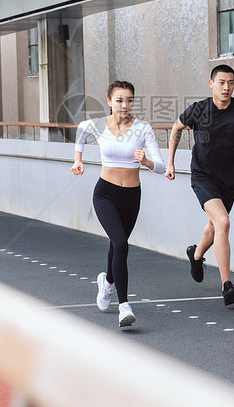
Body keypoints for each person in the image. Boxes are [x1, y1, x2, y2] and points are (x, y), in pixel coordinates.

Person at [165, 65, 234, 305]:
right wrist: (170, 163)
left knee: (213, 226)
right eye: (221, 82)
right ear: (211, 83)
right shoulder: (199, 110)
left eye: (230, 82)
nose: (226, 87)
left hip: (230, 178)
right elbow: (176, 128)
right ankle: (226, 284)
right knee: (223, 221)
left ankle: (196, 254)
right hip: (203, 175)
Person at [71, 81, 165, 327]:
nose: (125, 105)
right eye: (120, 100)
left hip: (131, 196)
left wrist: (146, 161)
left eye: (130, 100)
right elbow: (80, 131)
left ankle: (107, 283)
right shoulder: (98, 125)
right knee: (121, 243)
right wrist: (77, 160)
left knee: (117, 245)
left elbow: (161, 167)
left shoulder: (142, 128)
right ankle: (124, 305)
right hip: (105, 194)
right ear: (110, 101)